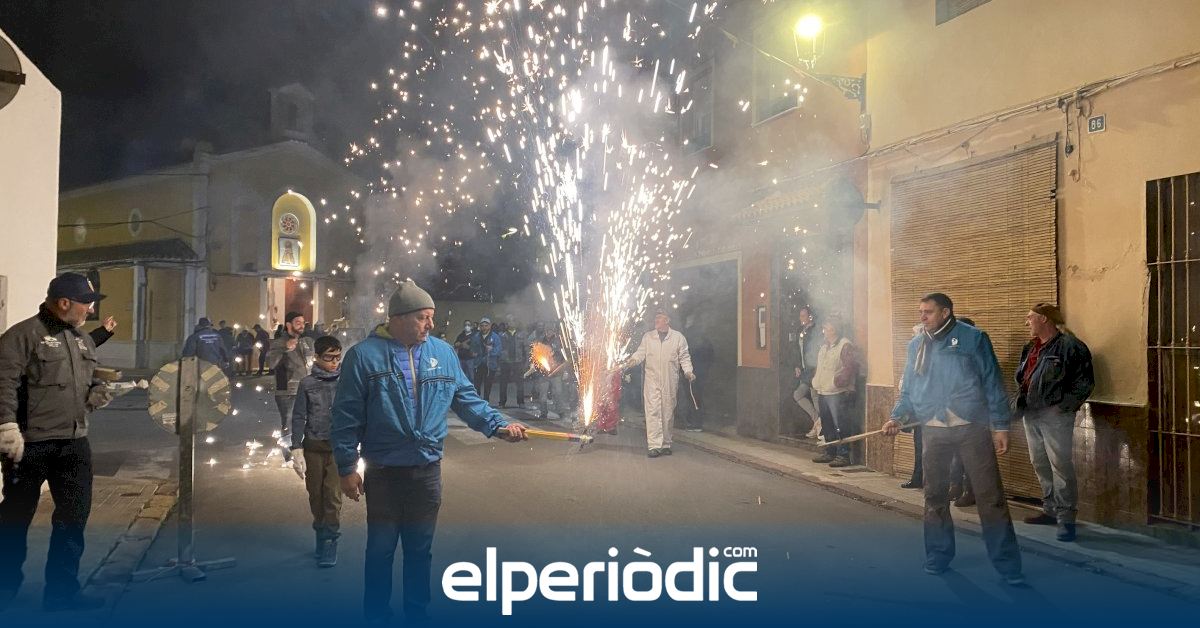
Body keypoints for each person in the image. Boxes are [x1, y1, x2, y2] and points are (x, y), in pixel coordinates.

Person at [331, 281, 528, 623]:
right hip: (384, 472)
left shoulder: (443, 353)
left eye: (431, 317)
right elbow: (346, 416)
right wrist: (347, 467)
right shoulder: (363, 357)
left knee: (420, 550)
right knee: (380, 550)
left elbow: (466, 399)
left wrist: (498, 425)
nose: (430, 325)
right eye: (423, 317)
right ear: (398, 318)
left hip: (427, 472)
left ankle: (417, 614)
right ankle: (376, 615)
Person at [883, 293, 1023, 585]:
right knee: (934, 495)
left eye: (928, 312)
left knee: (990, 497)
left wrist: (1000, 425)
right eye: (920, 312)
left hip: (971, 427)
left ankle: (1008, 566)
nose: (922, 317)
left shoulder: (973, 338)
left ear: (945, 312)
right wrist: (897, 417)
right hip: (933, 429)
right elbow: (908, 389)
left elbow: (992, 382)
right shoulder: (917, 344)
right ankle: (938, 555)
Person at [0, 273, 114, 611]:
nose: (90, 310)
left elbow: (88, 380)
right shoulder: (22, 336)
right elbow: (3, 382)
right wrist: (6, 426)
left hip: (74, 443)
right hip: (29, 444)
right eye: (86, 303)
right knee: (14, 519)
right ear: (64, 303)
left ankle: (62, 594)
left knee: (73, 519)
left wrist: (97, 392)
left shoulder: (83, 339)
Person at [1015, 303, 1094, 542]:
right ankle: (1050, 509)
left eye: (1030, 317)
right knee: (1039, 462)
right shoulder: (1031, 347)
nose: (1027, 322)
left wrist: (1062, 408)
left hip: (1055, 416)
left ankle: (1066, 519)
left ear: (1044, 319)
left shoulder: (1071, 346)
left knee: (1060, 465)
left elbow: (1084, 382)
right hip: (1031, 413)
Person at [290, 336, 344, 568]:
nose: (334, 362)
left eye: (338, 357)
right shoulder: (307, 384)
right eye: (329, 358)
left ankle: (330, 540)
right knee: (316, 495)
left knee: (332, 495)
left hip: (338, 448)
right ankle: (321, 533)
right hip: (313, 447)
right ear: (317, 357)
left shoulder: (345, 382)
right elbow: (299, 416)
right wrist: (296, 447)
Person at [619, 310, 695, 458]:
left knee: (667, 413)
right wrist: (633, 360)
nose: (656, 321)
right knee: (652, 412)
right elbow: (640, 353)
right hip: (652, 381)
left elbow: (684, 357)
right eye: (656, 318)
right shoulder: (648, 337)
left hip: (669, 381)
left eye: (660, 318)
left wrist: (688, 371)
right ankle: (654, 446)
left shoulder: (678, 338)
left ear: (667, 320)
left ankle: (665, 444)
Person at [810, 316, 860, 467]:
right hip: (824, 391)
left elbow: (850, 368)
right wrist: (816, 381)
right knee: (827, 424)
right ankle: (830, 451)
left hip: (838, 393)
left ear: (834, 330)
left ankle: (843, 454)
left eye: (826, 328)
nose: (824, 331)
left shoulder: (845, 346)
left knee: (841, 425)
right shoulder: (824, 347)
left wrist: (836, 382)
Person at [268, 312, 316, 459]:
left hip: (307, 388)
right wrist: (285, 348)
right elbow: (271, 364)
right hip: (288, 391)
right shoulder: (278, 343)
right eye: (297, 323)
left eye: (303, 323)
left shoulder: (307, 341)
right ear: (288, 325)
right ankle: (289, 454)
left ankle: (303, 449)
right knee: (289, 422)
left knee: (308, 420)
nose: (301, 326)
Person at [791, 306, 822, 439]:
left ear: (810, 316)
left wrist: (817, 368)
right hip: (805, 370)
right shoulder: (800, 330)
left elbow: (816, 351)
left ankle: (820, 426)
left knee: (815, 397)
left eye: (803, 315)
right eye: (800, 315)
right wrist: (797, 365)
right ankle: (818, 422)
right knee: (798, 394)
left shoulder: (815, 330)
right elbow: (797, 350)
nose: (801, 318)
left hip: (813, 369)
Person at [469, 317, 501, 404]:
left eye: (486, 325)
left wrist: (492, 350)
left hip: (490, 364)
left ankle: (486, 400)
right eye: (482, 325)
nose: (484, 327)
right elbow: (472, 348)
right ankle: (477, 401)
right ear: (480, 326)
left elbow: (499, 350)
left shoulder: (495, 337)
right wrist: (473, 353)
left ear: (489, 326)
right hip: (478, 364)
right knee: (477, 384)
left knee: (488, 384)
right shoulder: (476, 336)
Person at [497, 321, 525, 408]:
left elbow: (525, 348)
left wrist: (525, 361)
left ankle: (521, 402)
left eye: (513, 321)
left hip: (517, 361)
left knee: (520, 383)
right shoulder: (502, 335)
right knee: (503, 383)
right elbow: (499, 348)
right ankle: (502, 402)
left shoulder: (521, 335)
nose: (511, 323)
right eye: (509, 322)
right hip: (505, 361)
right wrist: (499, 360)